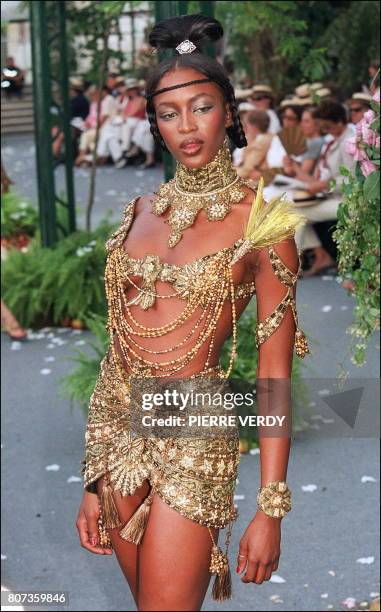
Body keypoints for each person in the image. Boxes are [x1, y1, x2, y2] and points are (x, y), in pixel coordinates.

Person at [76, 14, 310, 610]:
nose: (188, 126)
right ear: (154, 122)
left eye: (202, 107)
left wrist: (270, 506)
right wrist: (93, 476)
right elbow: (117, 352)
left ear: (229, 112)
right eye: (169, 112)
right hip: (118, 438)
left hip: (195, 430)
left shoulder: (267, 221)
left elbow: (273, 371)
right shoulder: (137, 213)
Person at [292, 101, 356, 276]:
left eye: (327, 126)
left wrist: (324, 185)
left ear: (339, 121)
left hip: (348, 201)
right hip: (333, 196)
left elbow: (353, 179)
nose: (325, 130)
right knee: (295, 212)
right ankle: (315, 257)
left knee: (295, 215)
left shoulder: (348, 141)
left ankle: (291, 267)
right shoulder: (336, 139)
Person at [75, 85, 116, 166]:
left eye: (94, 95)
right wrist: (86, 123)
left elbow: (103, 118)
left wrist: (94, 126)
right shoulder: (93, 104)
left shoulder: (104, 103)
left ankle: (81, 157)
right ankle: (88, 160)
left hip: (101, 128)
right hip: (93, 127)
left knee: (85, 136)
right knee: (91, 144)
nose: (92, 97)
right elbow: (89, 117)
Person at [283, 106, 325, 178]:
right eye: (302, 121)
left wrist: (293, 164)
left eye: (307, 121)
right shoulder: (311, 141)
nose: (302, 125)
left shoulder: (315, 142)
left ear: (317, 124)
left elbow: (303, 175)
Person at [236, 109, 272, 180]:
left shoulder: (261, 141)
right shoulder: (265, 137)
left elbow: (247, 169)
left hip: (256, 182)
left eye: (247, 124)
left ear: (253, 126)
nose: (246, 127)